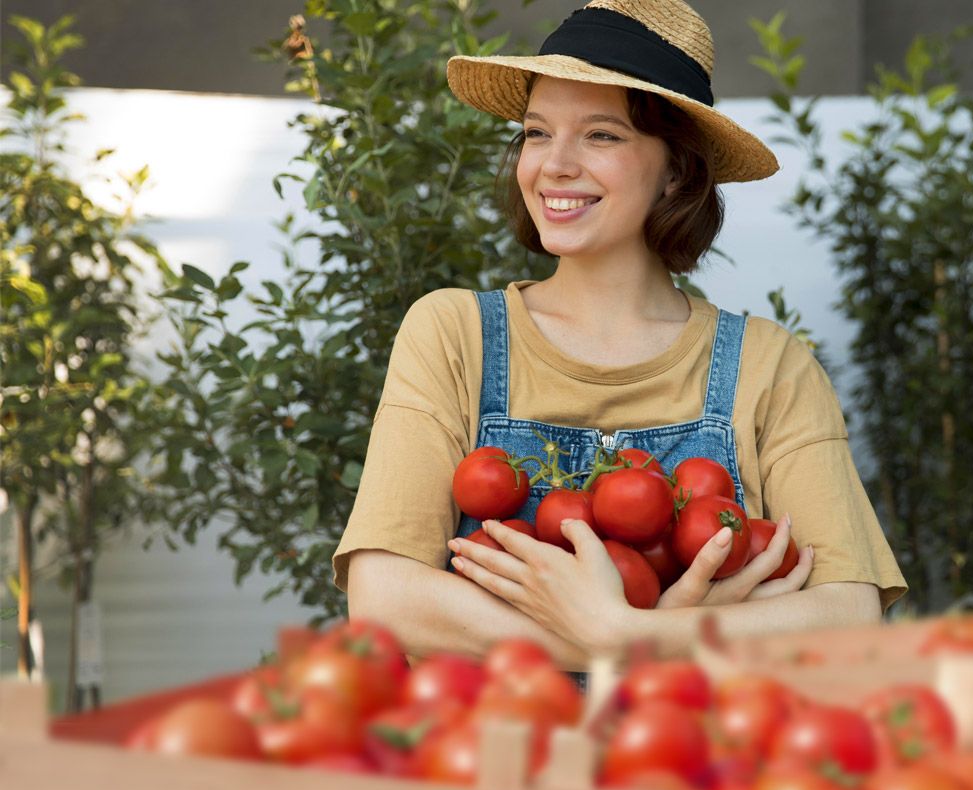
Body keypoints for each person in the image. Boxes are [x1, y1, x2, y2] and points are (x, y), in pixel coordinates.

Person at [334, 0, 907, 671]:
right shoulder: (454, 333)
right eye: (538, 132)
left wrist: (625, 634)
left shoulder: (768, 366)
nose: (553, 165)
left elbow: (847, 609)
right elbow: (385, 595)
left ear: (675, 173)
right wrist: (625, 639)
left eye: (601, 135)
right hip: (490, 762)